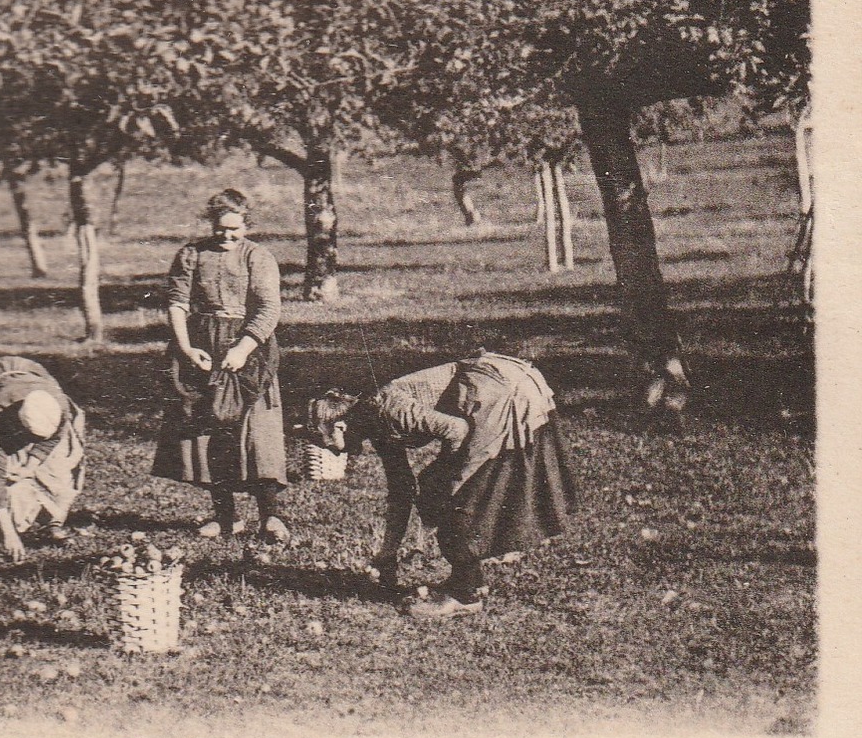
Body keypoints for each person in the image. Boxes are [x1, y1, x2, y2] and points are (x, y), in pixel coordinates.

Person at [306, 351, 577, 618]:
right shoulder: (373, 419)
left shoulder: (387, 409)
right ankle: (470, 582)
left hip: (502, 391)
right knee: (440, 491)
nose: (335, 452)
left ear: (340, 426)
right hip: (502, 385)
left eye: (328, 443)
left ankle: (465, 595)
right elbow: (402, 491)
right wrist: (387, 554)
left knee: (450, 494)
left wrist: (445, 476)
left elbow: (457, 430)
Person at [151, 189, 290, 541]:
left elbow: (267, 310)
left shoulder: (258, 257)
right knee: (208, 431)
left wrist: (243, 348)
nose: (227, 236)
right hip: (203, 345)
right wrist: (185, 348)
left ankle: (270, 517)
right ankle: (225, 516)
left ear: (246, 225)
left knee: (257, 432)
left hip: (249, 344)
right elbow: (177, 303)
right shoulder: (191, 255)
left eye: (234, 229)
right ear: (211, 224)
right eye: (220, 228)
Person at [0, 356, 87, 562]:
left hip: (32, 373)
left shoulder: (60, 405)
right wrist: (8, 534)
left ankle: (51, 521)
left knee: (61, 464)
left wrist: (30, 466)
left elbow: (52, 440)